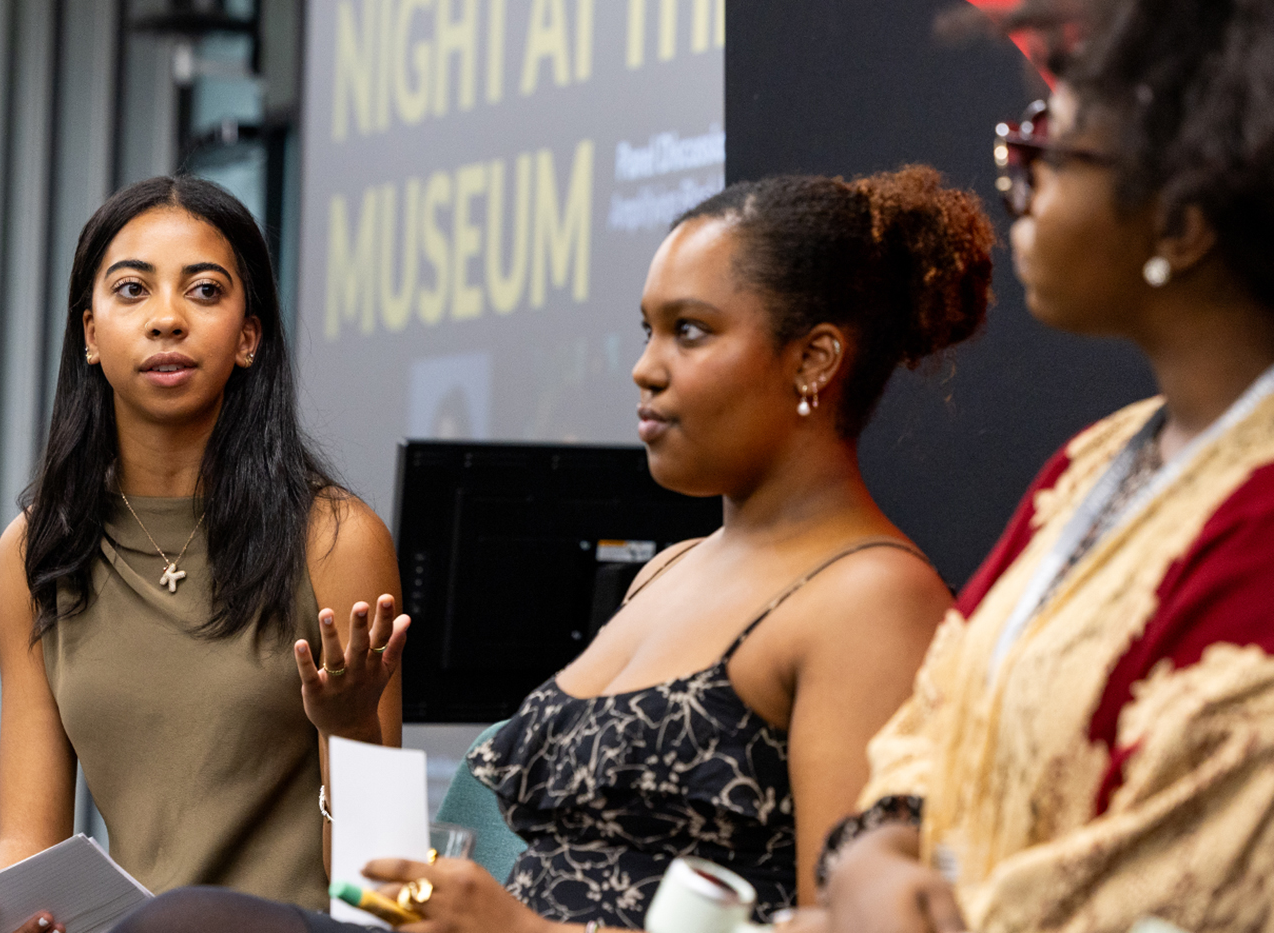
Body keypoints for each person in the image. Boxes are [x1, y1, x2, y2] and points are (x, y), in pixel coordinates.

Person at [106, 164, 996, 933]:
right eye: (646, 329)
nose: (646, 366)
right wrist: (347, 732)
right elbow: (379, 897)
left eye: (689, 331)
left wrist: (519, 928)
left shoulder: (873, 597)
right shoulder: (667, 572)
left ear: (815, 360)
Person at [800, 2, 1274, 932]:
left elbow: (1183, 876)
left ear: (1182, 220)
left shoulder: (1258, 521)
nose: (1019, 179)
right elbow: (932, 717)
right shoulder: (1091, 462)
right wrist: (874, 854)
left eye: (1049, 150)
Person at [0, 176, 408, 933]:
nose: (167, 319)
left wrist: (350, 729)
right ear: (90, 334)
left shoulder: (334, 536)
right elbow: (28, 842)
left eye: (204, 291)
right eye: (132, 290)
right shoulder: (35, 551)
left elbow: (383, 885)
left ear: (249, 336)